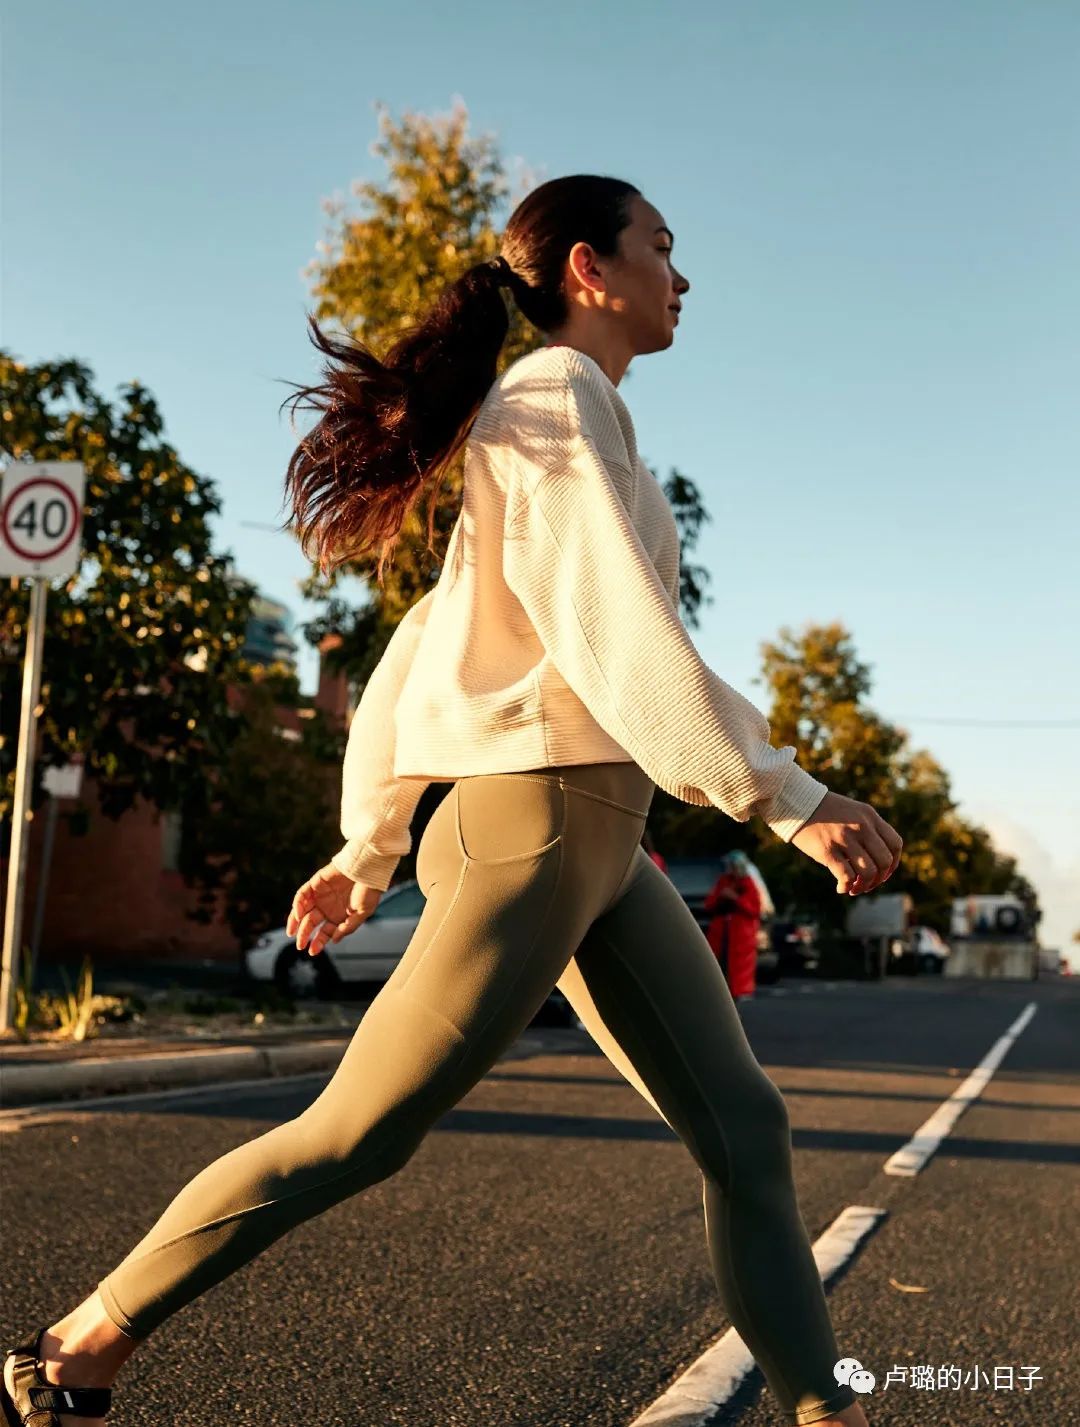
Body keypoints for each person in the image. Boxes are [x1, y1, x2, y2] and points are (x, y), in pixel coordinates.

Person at [3, 176, 902, 1427]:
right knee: (359, 1131)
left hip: (603, 840)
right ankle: (78, 1343)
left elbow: (435, 636)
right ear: (590, 268)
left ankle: (827, 1408)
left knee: (746, 1124)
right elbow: (613, 631)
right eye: (662, 248)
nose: (681, 277)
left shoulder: (569, 419)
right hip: (533, 824)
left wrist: (367, 842)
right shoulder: (552, 398)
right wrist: (787, 794)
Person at [704, 851, 763, 1001]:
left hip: (741, 932)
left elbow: (754, 909)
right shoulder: (723, 881)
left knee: (741, 964)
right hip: (722, 930)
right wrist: (722, 897)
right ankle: (722, 991)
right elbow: (710, 904)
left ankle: (741, 991)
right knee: (719, 961)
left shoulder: (748, 883)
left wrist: (736, 898)